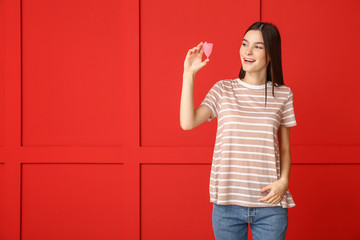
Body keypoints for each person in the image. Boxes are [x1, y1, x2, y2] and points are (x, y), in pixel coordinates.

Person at [180, 21, 297, 240]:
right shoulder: (223, 89)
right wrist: (189, 74)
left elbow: (285, 148)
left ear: (271, 53)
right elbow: (188, 122)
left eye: (258, 47)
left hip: (270, 205)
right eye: (245, 44)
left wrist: (284, 181)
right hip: (227, 205)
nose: (248, 51)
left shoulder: (283, 94)